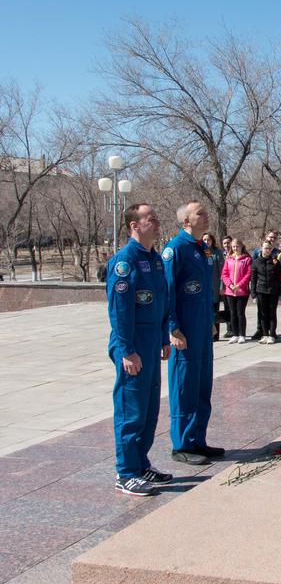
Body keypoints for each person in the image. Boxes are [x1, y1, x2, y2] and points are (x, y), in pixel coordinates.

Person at [107, 203, 171, 496]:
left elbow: (160, 303)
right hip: (132, 346)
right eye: (151, 219)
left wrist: (163, 338)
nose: (157, 223)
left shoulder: (155, 259)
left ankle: (141, 464)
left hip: (150, 344)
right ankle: (126, 472)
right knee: (131, 410)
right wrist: (125, 350)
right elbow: (119, 312)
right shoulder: (125, 261)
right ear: (135, 225)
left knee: (148, 410)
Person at [162, 201, 224, 466]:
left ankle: (198, 439)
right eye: (201, 213)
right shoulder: (175, 249)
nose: (206, 216)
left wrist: (211, 320)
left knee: (201, 386)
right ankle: (182, 444)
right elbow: (167, 292)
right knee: (184, 387)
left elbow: (205, 292)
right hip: (183, 332)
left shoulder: (202, 249)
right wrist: (172, 328)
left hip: (201, 329)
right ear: (186, 221)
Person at [251, 237, 281, 344]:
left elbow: (279, 277)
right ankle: (264, 334)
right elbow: (253, 279)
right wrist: (253, 295)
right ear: (261, 249)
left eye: (269, 248)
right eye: (265, 248)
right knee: (263, 313)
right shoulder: (256, 262)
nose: (267, 250)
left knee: (272, 313)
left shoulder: (274, 261)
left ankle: (272, 334)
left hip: (273, 291)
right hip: (261, 291)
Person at [221, 239, 252, 343]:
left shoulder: (247, 259)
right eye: (233, 247)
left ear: (241, 246)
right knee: (232, 313)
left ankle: (242, 334)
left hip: (242, 291)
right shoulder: (229, 259)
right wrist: (229, 285)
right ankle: (235, 334)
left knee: (240, 313)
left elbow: (248, 274)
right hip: (230, 292)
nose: (235, 248)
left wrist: (239, 285)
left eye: (237, 246)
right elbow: (224, 274)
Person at [202, 232, 225, 341]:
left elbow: (222, 271)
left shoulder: (217, 253)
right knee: (206, 311)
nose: (207, 242)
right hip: (204, 286)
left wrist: (222, 286)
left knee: (215, 312)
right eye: (205, 239)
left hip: (215, 286)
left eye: (208, 239)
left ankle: (215, 335)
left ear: (212, 241)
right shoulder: (202, 251)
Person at [220, 234, 234, 336]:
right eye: (224, 243)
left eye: (228, 242)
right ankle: (229, 328)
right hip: (224, 286)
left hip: (234, 285)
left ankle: (235, 328)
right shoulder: (221, 254)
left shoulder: (236, 254)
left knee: (234, 308)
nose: (227, 245)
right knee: (226, 308)